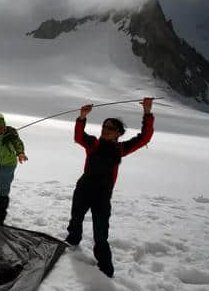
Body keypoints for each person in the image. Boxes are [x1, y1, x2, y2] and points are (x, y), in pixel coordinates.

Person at [65, 97, 155, 277]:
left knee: (101, 233)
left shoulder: (121, 149)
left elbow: (144, 138)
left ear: (118, 133)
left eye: (110, 128)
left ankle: (105, 269)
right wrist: (82, 117)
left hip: (102, 195)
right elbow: (78, 136)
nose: (105, 130)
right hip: (83, 189)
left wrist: (147, 112)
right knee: (76, 220)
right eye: (104, 127)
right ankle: (72, 243)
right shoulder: (93, 144)